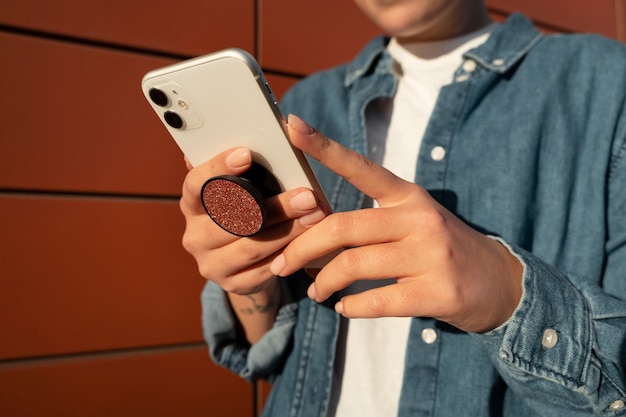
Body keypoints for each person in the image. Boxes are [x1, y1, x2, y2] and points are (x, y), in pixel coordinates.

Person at [179, 0, 626, 415]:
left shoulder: (606, 85)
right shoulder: (307, 104)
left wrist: (511, 294)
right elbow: (281, 353)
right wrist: (250, 284)